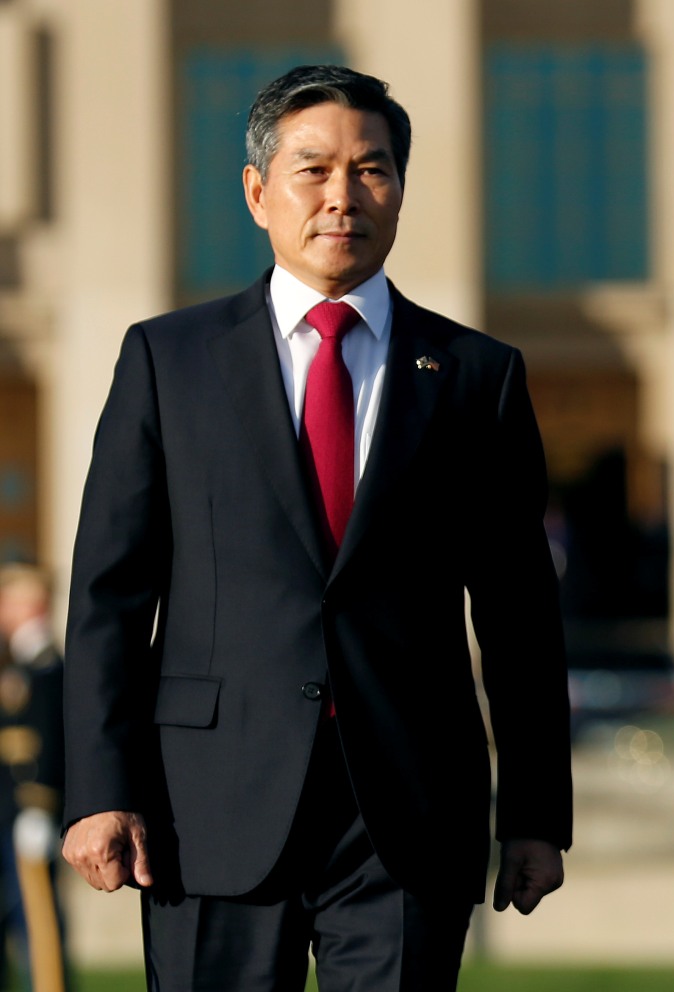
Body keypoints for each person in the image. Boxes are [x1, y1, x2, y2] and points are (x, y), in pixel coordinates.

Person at [62, 65, 572, 991]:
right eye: (314, 170)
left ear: (400, 192)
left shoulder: (474, 377)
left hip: (408, 812)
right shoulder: (168, 361)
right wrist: (99, 791)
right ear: (258, 193)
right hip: (208, 805)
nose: (344, 197)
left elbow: (519, 613)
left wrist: (536, 812)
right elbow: (108, 594)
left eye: (372, 171)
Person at [0, 563, 65, 991]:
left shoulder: (45, 666)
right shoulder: (17, 662)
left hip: (26, 815)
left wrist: (39, 807)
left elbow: (50, 740)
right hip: (5, 814)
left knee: (38, 929)